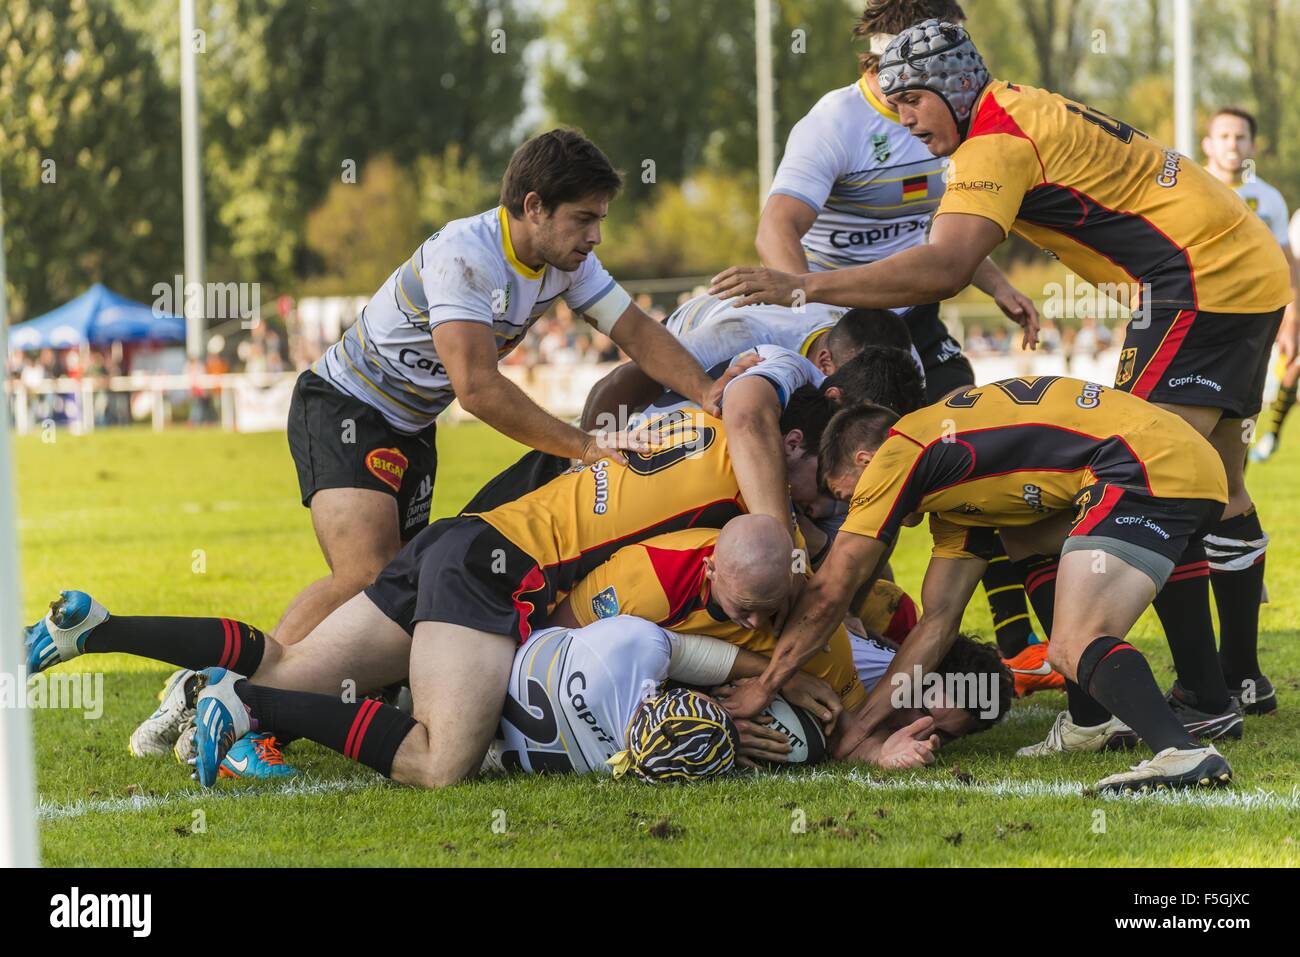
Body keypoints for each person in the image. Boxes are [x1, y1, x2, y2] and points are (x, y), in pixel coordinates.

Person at [711, 19, 1293, 718]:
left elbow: (945, 265)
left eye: (913, 101)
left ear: (953, 88)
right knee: (1217, 482)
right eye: (893, 105)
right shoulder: (1010, 111)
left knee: (1149, 469)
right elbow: (958, 241)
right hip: (1229, 264)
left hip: (1196, 278)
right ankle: (1238, 679)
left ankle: (1192, 695)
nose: (904, 121)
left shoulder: (993, 141)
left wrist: (804, 286)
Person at [276, 128, 720, 647]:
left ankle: (316, 687)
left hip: (413, 427)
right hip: (348, 409)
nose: (596, 235)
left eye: (600, 219)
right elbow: (478, 390)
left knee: (400, 581)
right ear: (535, 207)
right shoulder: (465, 256)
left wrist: (711, 393)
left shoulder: (567, 263)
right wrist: (585, 447)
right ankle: (233, 686)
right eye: (585, 218)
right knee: (366, 577)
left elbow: (638, 332)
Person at [712, 377, 1240, 793]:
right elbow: (939, 621)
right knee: (1026, 538)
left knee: (1074, 642)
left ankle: (1181, 752)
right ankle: (1094, 721)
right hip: (1183, 461)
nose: (853, 509)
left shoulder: (900, 450)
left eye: (847, 496)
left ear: (864, 462)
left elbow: (830, 590)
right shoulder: (957, 493)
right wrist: (865, 728)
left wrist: (765, 684)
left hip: (1142, 463)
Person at [1198, 108, 1300, 464]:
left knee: (1238, 414)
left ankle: (1231, 506)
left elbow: (1287, 263)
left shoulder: (1268, 198)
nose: (1233, 144)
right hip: (1198, 318)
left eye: (1240, 137)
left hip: (1252, 321)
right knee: (1193, 415)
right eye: (1224, 136)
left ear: (1253, 145)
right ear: (1207, 144)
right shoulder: (1189, 188)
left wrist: (1292, 319)